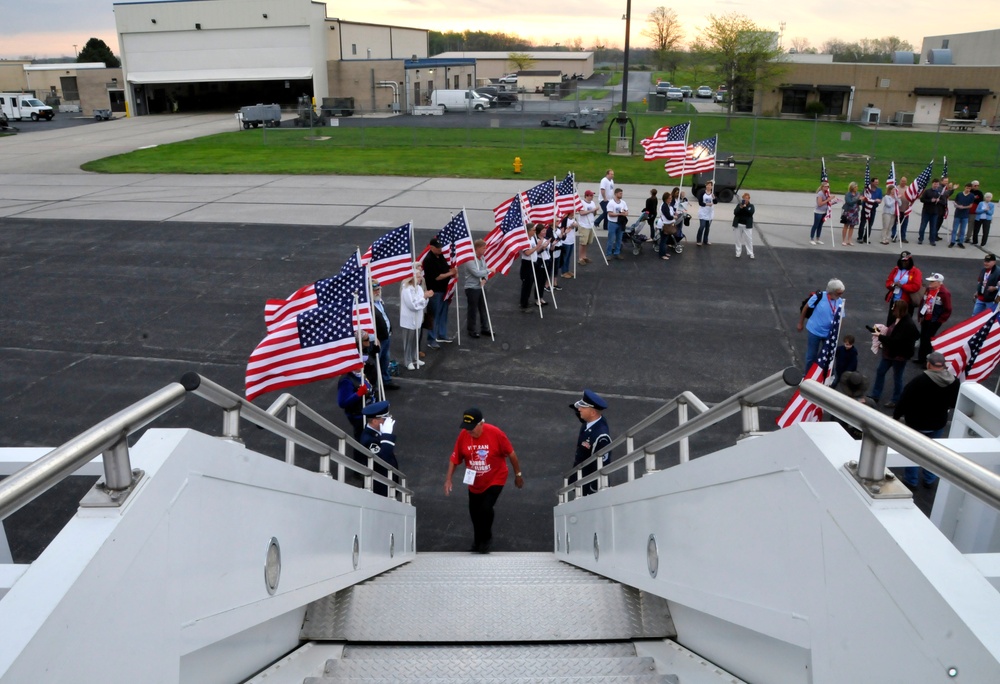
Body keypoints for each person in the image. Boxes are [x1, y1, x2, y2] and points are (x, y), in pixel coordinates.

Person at [443, 408, 524, 554]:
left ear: (481, 423)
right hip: (475, 481)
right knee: (474, 512)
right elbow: (454, 458)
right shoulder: (464, 435)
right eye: (466, 428)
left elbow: (511, 454)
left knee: (485, 508)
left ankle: (486, 539)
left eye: (472, 428)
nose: (469, 431)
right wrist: (448, 479)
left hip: (495, 477)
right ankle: (478, 540)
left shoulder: (495, 433)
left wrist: (518, 475)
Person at [893, 352, 960, 488]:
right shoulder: (954, 382)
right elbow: (954, 403)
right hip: (938, 424)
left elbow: (904, 399)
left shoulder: (919, 380)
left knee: (914, 452)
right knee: (933, 453)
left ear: (929, 364)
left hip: (917, 423)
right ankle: (930, 478)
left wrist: (896, 416)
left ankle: (911, 480)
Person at [868, 300, 920, 409]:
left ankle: (896, 399)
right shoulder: (898, 320)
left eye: (894, 308)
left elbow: (896, 341)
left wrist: (880, 336)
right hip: (890, 352)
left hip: (899, 355)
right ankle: (875, 395)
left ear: (899, 310)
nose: (892, 309)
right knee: (881, 371)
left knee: (897, 377)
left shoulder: (907, 324)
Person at [797, 279, 846, 372]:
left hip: (828, 334)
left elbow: (840, 318)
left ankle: (823, 376)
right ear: (832, 291)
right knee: (811, 356)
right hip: (814, 331)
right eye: (839, 293)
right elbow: (805, 308)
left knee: (827, 357)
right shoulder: (818, 297)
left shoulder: (839, 301)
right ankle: (807, 375)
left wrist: (836, 332)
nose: (841, 295)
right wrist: (800, 323)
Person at [570, 389, 612, 496]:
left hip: (588, 488)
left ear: (593, 412)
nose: (579, 409)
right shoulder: (589, 422)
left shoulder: (601, 437)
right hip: (580, 480)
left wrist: (592, 492)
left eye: (583, 407)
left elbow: (601, 467)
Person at [337, 335, 375, 441]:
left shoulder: (359, 373)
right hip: (358, 415)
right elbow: (342, 402)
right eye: (360, 362)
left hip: (366, 408)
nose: (363, 364)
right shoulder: (346, 380)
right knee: (361, 437)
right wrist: (358, 394)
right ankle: (359, 456)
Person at [421, 237, 456, 349]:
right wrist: (450, 274)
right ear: (431, 248)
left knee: (443, 314)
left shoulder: (440, 256)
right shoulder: (428, 260)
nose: (440, 249)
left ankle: (442, 334)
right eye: (437, 247)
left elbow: (445, 269)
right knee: (433, 316)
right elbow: (437, 277)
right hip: (434, 291)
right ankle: (431, 339)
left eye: (440, 247)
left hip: (444, 290)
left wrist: (451, 272)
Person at [359, 400, 397, 496]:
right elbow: (383, 461)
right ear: (375, 421)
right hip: (379, 487)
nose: (388, 420)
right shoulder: (369, 440)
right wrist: (387, 437)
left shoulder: (374, 433)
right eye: (385, 418)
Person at [399, 265, 432, 370]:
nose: (420, 278)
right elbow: (412, 306)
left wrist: (423, 300)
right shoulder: (406, 289)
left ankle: (414, 358)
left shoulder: (418, 288)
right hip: (408, 320)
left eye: (420, 276)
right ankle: (407, 361)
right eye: (418, 276)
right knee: (408, 341)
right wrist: (423, 298)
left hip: (417, 319)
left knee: (416, 340)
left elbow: (423, 304)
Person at [916, 273, 952, 365]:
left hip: (934, 320)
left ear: (939, 283)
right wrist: (920, 315)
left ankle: (927, 361)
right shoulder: (928, 290)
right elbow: (922, 302)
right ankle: (921, 358)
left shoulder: (944, 293)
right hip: (926, 317)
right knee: (923, 337)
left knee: (928, 340)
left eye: (932, 281)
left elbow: (948, 309)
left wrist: (940, 320)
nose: (930, 283)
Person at [370, 281, 399, 391]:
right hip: (377, 340)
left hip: (386, 336)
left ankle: (386, 380)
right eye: (375, 290)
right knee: (375, 363)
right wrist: (374, 336)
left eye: (379, 289)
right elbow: (367, 324)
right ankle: (374, 385)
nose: (377, 292)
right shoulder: (368, 305)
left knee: (385, 360)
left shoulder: (379, 302)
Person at [462, 239, 493, 339]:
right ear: (478, 248)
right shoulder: (469, 260)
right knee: (473, 309)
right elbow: (476, 273)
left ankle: (485, 328)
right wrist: (488, 271)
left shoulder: (482, 258)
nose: (485, 250)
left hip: (481, 287)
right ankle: (471, 329)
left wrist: (485, 279)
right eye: (484, 248)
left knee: (483, 308)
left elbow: (484, 270)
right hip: (472, 288)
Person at [883, 251, 922, 324]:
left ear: (910, 260)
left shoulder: (916, 271)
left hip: (906, 302)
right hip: (895, 300)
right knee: (891, 322)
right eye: (902, 260)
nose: (904, 262)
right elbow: (888, 281)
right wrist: (892, 285)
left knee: (904, 323)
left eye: (906, 261)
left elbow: (916, 286)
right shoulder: (896, 269)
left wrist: (902, 286)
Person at [520, 223, 548, 310]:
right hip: (527, 264)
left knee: (531, 282)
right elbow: (527, 252)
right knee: (527, 284)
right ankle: (524, 303)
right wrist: (537, 246)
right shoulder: (525, 241)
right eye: (533, 230)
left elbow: (536, 251)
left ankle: (526, 300)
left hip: (533, 262)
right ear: (528, 231)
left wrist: (541, 247)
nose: (535, 231)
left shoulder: (532, 238)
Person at [949, 183, 975, 248]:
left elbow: (970, 205)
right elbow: (955, 202)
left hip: (965, 215)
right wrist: (957, 205)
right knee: (954, 229)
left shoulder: (971, 196)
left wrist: (963, 207)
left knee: (963, 230)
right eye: (967, 188)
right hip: (957, 214)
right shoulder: (959, 194)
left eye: (969, 188)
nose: (968, 189)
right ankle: (952, 241)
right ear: (964, 187)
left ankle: (960, 242)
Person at [917, 178, 941, 245]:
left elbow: (943, 202)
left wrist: (939, 201)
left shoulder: (939, 193)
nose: (936, 185)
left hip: (935, 212)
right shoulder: (927, 191)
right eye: (934, 184)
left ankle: (932, 240)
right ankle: (921, 239)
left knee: (933, 227)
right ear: (932, 184)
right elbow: (922, 199)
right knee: (923, 226)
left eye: (937, 184)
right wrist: (930, 200)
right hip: (926, 212)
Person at [606, 187, 628, 260]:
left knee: (619, 239)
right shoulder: (611, 203)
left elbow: (627, 212)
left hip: (620, 223)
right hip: (612, 223)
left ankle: (617, 253)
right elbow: (610, 214)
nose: (621, 194)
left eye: (622, 193)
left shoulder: (623, 202)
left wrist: (624, 214)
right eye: (620, 193)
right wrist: (620, 214)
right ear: (616, 194)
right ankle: (608, 254)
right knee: (611, 239)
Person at [577, 190, 598, 264]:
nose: (592, 197)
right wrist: (592, 210)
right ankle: (580, 258)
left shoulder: (592, 203)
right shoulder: (582, 203)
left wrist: (595, 211)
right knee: (583, 242)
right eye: (591, 195)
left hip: (590, 225)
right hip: (584, 225)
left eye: (592, 195)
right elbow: (581, 213)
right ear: (587, 196)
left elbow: (594, 214)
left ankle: (584, 256)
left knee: (587, 242)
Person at [810, 180, 834, 245]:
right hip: (818, 212)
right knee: (816, 225)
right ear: (822, 187)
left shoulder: (826, 194)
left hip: (824, 211)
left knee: (820, 225)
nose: (827, 188)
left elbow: (827, 203)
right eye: (825, 187)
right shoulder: (820, 194)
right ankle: (812, 238)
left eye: (828, 187)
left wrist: (833, 202)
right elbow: (820, 204)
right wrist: (828, 200)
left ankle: (818, 238)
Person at [733, 192, 755, 259]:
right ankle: (738, 252)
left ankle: (750, 253)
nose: (745, 200)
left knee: (749, 240)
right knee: (738, 239)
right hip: (739, 225)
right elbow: (735, 212)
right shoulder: (739, 205)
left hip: (747, 226)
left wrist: (745, 207)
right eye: (744, 198)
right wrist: (740, 207)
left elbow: (750, 213)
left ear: (749, 199)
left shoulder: (751, 206)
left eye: (746, 198)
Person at [858, 177, 881, 244]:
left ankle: (866, 238)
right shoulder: (866, 189)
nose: (877, 183)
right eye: (876, 182)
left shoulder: (879, 190)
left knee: (870, 224)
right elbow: (861, 197)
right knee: (863, 223)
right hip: (866, 207)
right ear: (872, 182)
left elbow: (880, 200)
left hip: (873, 208)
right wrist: (865, 199)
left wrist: (878, 200)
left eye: (877, 182)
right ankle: (860, 237)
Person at [657, 189, 676, 261]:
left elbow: (670, 213)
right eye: (669, 198)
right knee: (663, 240)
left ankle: (664, 252)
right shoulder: (664, 206)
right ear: (665, 199)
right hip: (663, 225)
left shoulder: (667, 205)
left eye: (671, 198)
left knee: (665, 240)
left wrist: (674, 214)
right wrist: (674, 217)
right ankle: (662, 254)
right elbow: (668, 216)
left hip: (666, 224)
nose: (670, 200)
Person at [840, 181, 862, 246]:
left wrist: (861, 200)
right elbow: (849, 202)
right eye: (855, 187)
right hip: (848, 212)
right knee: (846, 225)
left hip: (855, 212)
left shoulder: (858, 193)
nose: (857, 188)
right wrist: (857, 199)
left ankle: (849, 240)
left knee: (852, 226)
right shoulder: (848, 194)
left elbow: (859, 203)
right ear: (852, 187)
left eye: (857, 187)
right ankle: (844, 240)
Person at [696, 181, 715, 246]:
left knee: (707, 228)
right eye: (707, 185)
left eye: (710, 185)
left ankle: (705, 240)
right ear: (706, 186)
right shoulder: (702, 192)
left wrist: (714, 197)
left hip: (710, 213)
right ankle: (698, 240)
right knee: (702, 226)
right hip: (703, 212)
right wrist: (707, 204)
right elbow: (700, 203)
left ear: (712, 186)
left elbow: (716, 202)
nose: (709, 186)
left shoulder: (712, 193)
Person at [560, 213, 577, 278]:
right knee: (565, 257)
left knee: (568, 257)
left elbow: (576, 229)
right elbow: (562, 230)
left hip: (571, 240)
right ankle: (563, 272)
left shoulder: (574, 219)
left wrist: (576, 226)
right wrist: (571, 226)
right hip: (566, 241)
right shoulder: (565, 220)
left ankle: (567, 270)